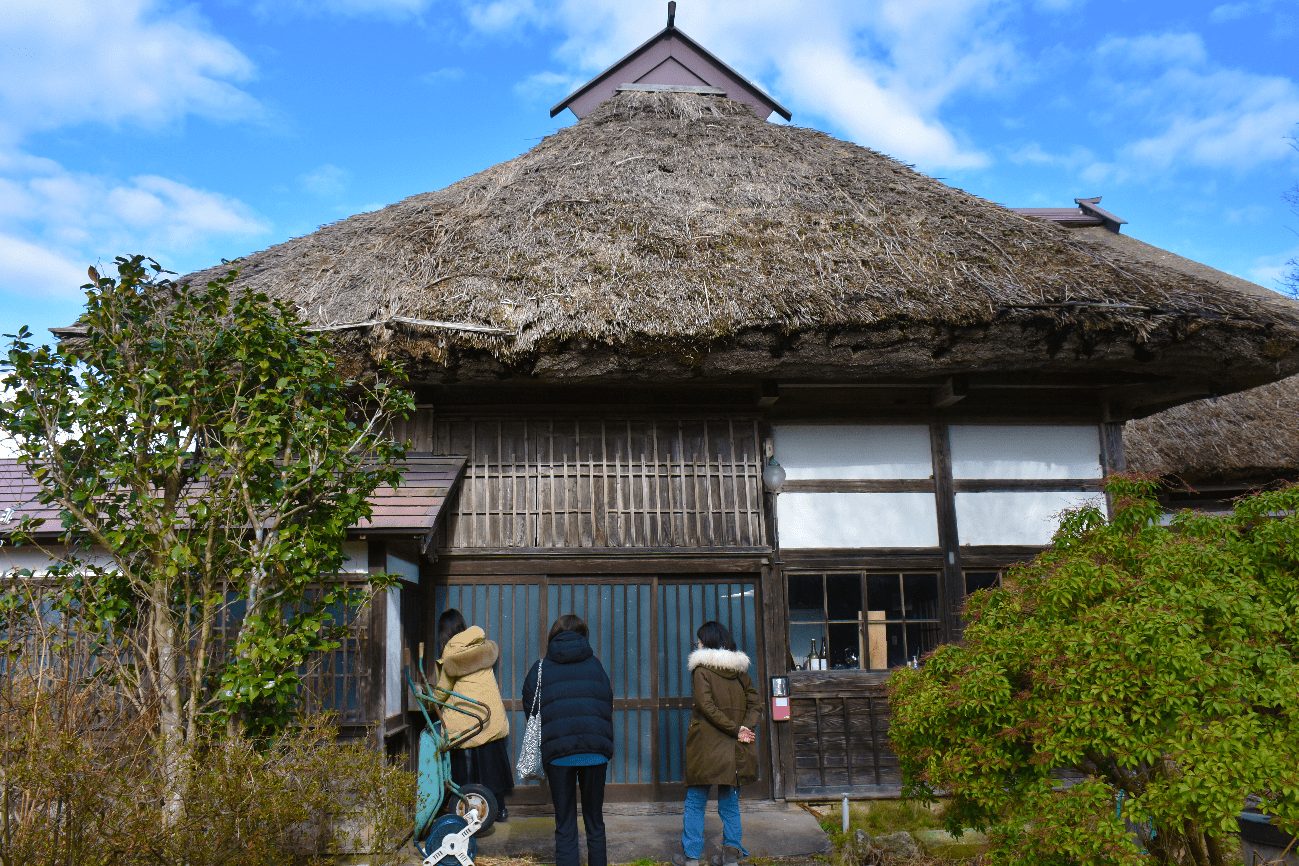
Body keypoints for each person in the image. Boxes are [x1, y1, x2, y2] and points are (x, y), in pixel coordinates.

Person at [522, 613, 614, 866]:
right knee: (595, 821)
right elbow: (607, 701)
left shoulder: (541, 667)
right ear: (583, 636)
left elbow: (530, 707)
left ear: (553, 636)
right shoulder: (595, 665)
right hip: (595, 752)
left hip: (558, 753)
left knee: (564, 822)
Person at [674, 620, 760, 866]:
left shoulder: (701, 670)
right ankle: (731, 855)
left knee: (695, 801)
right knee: (730, 803)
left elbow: (706, 706)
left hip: (705, 746)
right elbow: (756, 703)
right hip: (736, 748)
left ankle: (691, 856)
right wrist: (744, 728)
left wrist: (736, 729)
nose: (697, 644)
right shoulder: (741, 673)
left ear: (707, 641)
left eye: (699, 640)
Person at [435, 608, 514, 821]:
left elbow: (442, 691)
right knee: (492, 764)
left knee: (464, 767)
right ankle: (500, 810)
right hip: (490, 716)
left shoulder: (451, 653)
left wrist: (429, 697)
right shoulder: (480, 646)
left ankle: (466, 809)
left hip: (467, 719)